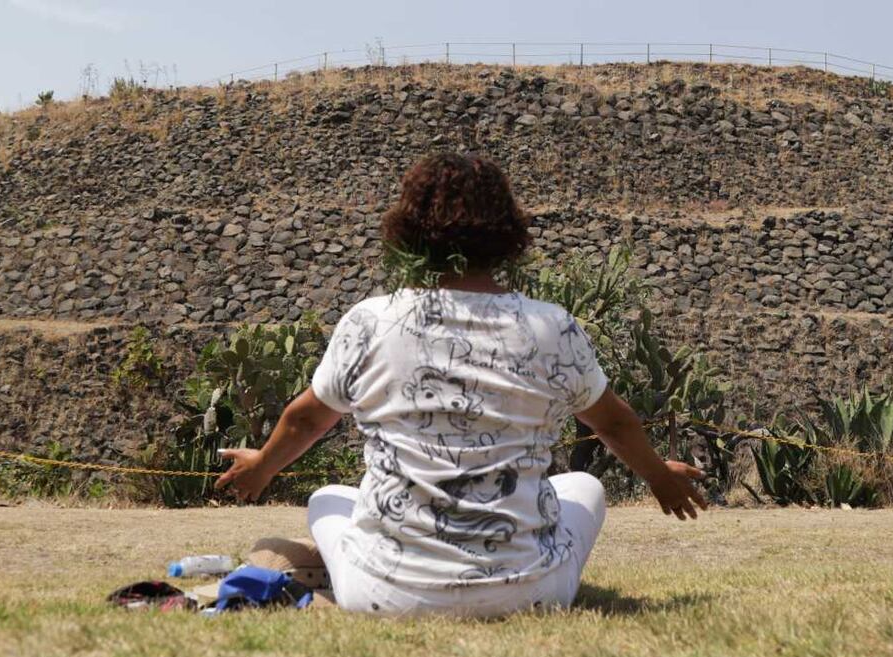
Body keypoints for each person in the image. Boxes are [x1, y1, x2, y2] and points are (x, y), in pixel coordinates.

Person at [215, 153, 706, 617]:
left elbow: (305, 420)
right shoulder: (549, 326)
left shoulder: (370, 320)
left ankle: (357, 557)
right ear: (507, 234)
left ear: (408, 233)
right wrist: (659, 477)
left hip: (384, 594)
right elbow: (615, 423)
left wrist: (261, 467)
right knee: (585, 485)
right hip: (534, 593)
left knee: (328, 495)